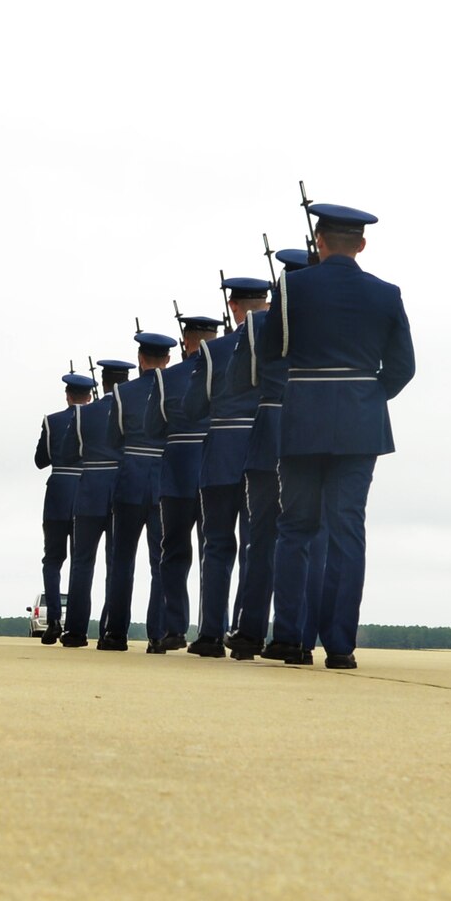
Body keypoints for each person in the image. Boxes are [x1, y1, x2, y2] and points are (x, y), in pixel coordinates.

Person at [264, 204, 416, 671]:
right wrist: (366, 397)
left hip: (304, 416)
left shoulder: (292, 286)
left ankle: (290, 638)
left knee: (295, 528)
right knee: (347, 529)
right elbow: (403, 368)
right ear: (362, 245)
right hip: (360, 423)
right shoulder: (387, 294)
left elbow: (273, 351)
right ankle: (341, 645)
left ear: (319, 243)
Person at [228, 249, 315, 661]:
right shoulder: (325, 321)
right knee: (309, 536)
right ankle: (294, 634)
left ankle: (249, 632)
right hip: (312, 429)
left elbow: (239, 381)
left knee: (261, 537)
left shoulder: (257, 325)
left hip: (269, 430)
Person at [184, 280, 272, 658]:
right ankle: (248, 632)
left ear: (233, 306)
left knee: (216, 545)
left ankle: (210, 634)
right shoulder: (280, 342)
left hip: (221, 453)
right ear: (266, 302)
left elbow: (191, 408)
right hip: (263, 451)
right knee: (258, 545)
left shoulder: (214, 351)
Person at [99, 331, 175, 651]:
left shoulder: (122, 394)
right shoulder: (179, 391)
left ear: (141, 360)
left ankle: (116, 633)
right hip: (164, 485)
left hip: (129, 481)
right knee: (161, 562)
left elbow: (111, 441)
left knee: (122, 562)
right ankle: (157, 635)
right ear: (167, 360)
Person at [152, 313, 222, 653]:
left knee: (174, 554)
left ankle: (175, 628)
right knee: (215, 552)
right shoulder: (226, 367)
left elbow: (153, 427)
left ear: (185, 342)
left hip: (178, 474)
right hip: (214, 469)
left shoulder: (167, 380)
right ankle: (213, 629)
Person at [64, 359, 131, 647]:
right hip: (121, 492)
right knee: (118, 563)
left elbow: (69, 453)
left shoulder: (83, 415)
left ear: (101, 383)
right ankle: (114, 631)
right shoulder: (133, 411)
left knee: (81, 563)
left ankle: (76, 631)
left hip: (90, 491)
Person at [32, 371, 93, 643]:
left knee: (53, 560)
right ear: (90, 397)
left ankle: (54, 618)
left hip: (57, 495)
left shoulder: (52, 421)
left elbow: (40, 460)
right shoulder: (98, 419)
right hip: (86, 492)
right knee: (81, 562)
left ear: (67, 396)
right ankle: (76, 623)